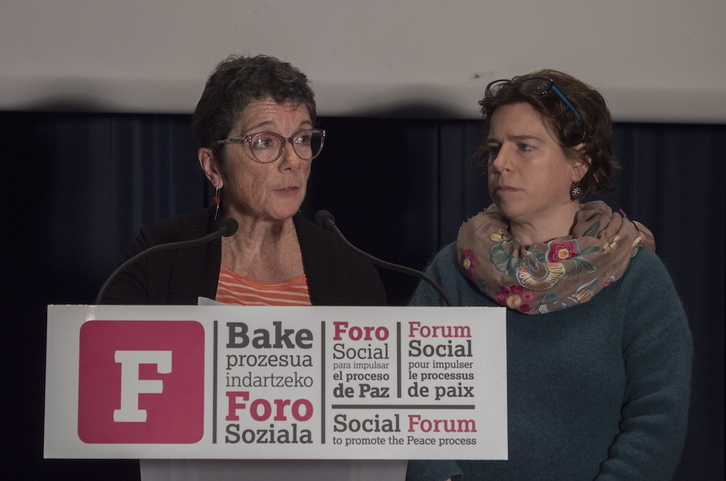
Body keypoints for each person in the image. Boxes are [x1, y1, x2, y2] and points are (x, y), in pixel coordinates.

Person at [101, 54, 404, 481]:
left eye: (302, 139)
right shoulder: (161, 253)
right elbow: (105, 386)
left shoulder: (349, 267)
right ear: (213, 166)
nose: (293, 161)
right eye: (264, 141)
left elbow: (380, 411)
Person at [405, 70, 692, 480]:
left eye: (524, 147)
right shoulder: (451, 270)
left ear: (578, 163)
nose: (500, 163)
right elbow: (411, 408)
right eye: (494, 148)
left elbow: (657, 421)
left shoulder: (638, 278)